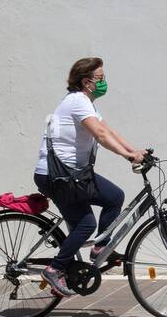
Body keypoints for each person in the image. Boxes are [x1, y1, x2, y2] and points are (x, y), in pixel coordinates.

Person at [33, 57, 145, 297]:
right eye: (101, 78)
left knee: (114, 197)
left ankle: (100, 248)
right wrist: (128, 157)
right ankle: (55, 269)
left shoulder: (87, 103)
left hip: (73, 175)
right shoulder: (77, 102)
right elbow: (101, 136)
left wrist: (135, 151)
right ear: (87, 82)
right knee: (86, 224)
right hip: (58, 176)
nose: (104, 82)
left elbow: (110, 131)